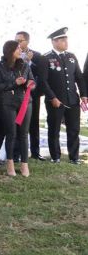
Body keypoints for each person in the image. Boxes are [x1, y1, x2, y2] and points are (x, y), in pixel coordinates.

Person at [41, 27, 87, 164]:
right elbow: (43, 81)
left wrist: (84, 94)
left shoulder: (71, 56)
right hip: (55, 101)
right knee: (54, 129)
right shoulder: (46, 58)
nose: (66, 42)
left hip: (72, 99)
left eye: (66, 39)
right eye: (62, 40)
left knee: (74, 129)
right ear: (54, 42)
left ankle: (74, 157)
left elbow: (79, 77)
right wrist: (52, 98)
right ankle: (56, 157)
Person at [0, 40, 35, 177]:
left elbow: (33, 81)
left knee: (23, 133)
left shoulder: (24, 65)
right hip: (7, 103)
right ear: (10, 50)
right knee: (11, 133)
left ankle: (24, 164)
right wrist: (14, 83)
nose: (20, 50)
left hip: (25, 103)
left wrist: (30, 84)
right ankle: (9, 163)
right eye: (17, 48)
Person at [15, 31, 48, 161]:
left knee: (33, 123)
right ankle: (16, 153)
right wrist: (25, 60)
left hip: (32, 95)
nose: (17, 43)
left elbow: (41, 76)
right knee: (18, 124)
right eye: (16, 40)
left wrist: (35, 89)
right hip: (16, 95)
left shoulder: (38, 56)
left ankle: (35, 152)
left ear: (27, 41)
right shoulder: (13, 56)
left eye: (20, 40)